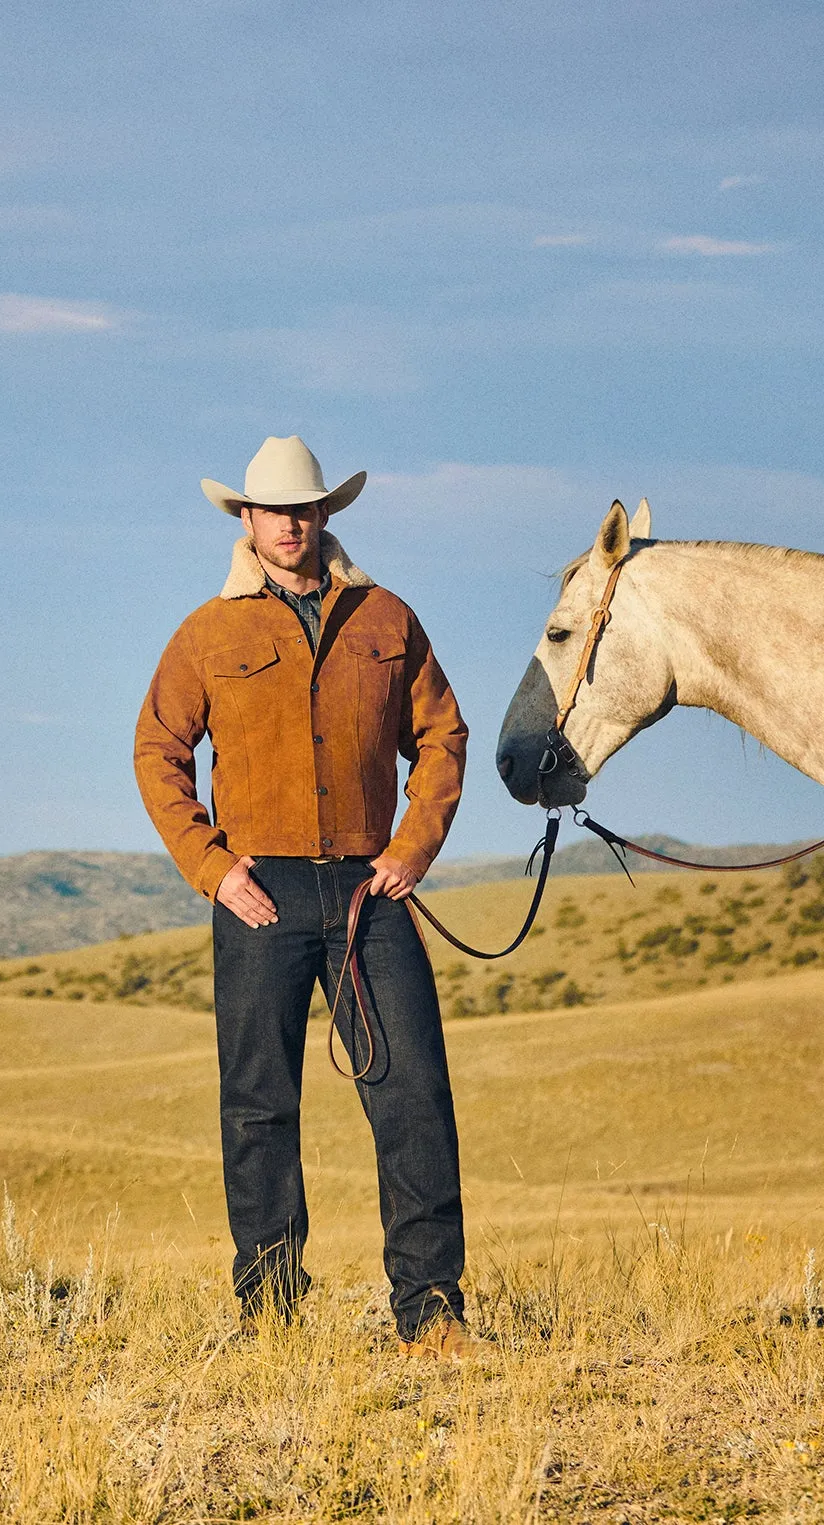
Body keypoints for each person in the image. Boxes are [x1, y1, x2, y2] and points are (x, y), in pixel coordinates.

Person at [134, 435, 473, 1359]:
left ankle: (432, 1314)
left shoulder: (386, 617)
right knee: (257, 1104)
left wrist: (412, 849)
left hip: (371, 887)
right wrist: (213, 866)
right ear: (245, 518)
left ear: (326, 514)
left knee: (413, 1095)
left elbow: (441, 737)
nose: (290, 522)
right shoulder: (208, 632)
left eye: (305, 506)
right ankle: (272, 1318)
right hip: (259, 892)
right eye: (273, 508)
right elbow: (157, 753)